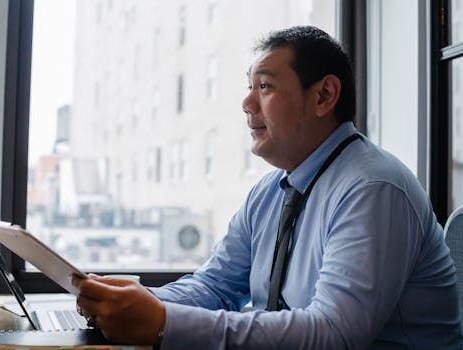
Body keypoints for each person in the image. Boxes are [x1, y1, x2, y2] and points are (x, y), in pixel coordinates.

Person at [72, 26, 462, 349]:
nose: (246, 102)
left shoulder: (373, 188)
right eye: (249, 86)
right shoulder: (272, 189)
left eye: (264, 86)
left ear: (324, 95)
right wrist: (133, 302)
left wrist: (163, 322)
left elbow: (335, 335)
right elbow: (216, 286)